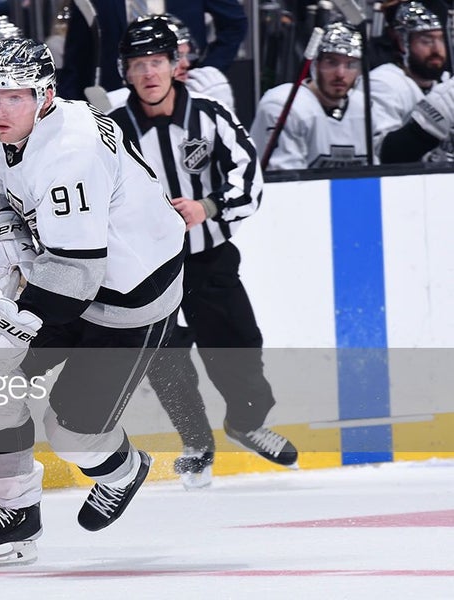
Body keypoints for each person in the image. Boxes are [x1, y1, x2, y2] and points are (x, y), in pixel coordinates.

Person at [0, 38, 186, 568]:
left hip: (133, 293)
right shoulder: (0, 130)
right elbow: (4, 196)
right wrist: (7, 233)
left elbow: (76, 277)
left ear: (46, 96)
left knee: (74, 435)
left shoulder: (72, 151)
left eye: (15, 97)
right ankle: (17, 516)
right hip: (74, 274)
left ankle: (124, 471)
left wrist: (12, 320)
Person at [108, 16, 298, 489]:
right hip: (148, 271)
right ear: (125, 72)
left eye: (157, 62)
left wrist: (206, 206)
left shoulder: (210, 115)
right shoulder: (109, 131)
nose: (149, 73)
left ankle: (246, 421)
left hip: (210, 259)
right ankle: (196, 440)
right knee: (166, 358)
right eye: (138, 65)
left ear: (178, 65)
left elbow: (249, 181)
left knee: (238, 345)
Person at [58, 0, 248, 101]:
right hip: (117, 97)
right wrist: (68, 108)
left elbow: (234, 24)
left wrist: (206, 70)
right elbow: (78, 55)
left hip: (182, 94)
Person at [251, 22, 370, 170]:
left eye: (351, 64)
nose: (341, 74)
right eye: (331, 62)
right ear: (315, 64)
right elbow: (287, 182)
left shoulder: (365, 108)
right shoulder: (282, 105)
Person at [370, 1, 454, 163]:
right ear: (403, 42)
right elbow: (382, 156)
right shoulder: (383, 82)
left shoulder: (445, 82)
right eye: (427, 40)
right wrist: (432, 120)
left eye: (441, 39)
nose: (437, 49)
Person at [106, 13, 234, 111]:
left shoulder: (207, 88)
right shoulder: (113, 105)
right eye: (178, 56)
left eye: (187, 55)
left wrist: (220, 110)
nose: (186, 64)